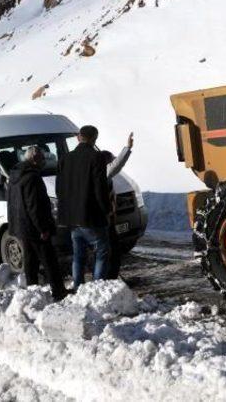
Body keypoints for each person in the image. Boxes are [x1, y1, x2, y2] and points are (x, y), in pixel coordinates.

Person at [7, 146, 66, 301]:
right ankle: (59, 292)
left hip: (21, 226)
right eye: (42, 158)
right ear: (34, 159)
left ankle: (32, 291)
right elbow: (34, 206)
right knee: (49, 260)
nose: (44, 161)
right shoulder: (32, 177)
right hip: (35, 227)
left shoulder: (14, 175)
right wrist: (43, 228)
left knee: (30, 260)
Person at [57, 125, 111, 288]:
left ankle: (78, 286)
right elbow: (99, 188)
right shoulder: (96, 157)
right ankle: (97, 287)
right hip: (90, 216)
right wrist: (106, 211)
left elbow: (59, 189)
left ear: (79, 137)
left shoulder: (65, 158)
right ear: (95, 139)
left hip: (71, 218)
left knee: (78, 255)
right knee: (102, 251)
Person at [101, 132, 134, 279]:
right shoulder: (103, 173)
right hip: (105, 219)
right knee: (111, 251)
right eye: (110, 160)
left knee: (106, 250)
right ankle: (110, 278)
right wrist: (127, 148)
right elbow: (117, 164)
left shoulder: (92, 173)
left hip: (103, 218)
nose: (112, 161)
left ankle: (108, 277)